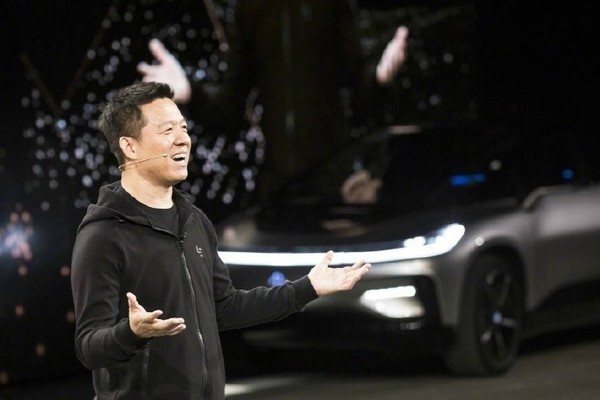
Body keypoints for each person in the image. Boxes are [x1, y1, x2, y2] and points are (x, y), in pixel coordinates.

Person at [70, 82, 371, 400]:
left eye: (183, 128)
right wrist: (130, 333)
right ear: (129, 147)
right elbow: (88, 346)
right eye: (167, 130)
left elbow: (225, 308)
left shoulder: (194, 221)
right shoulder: (104, 235)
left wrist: (307, 288)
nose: (182, 139)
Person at [137, 0, 409, 203]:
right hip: (276, 189)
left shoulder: (332, 5)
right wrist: (191, 93)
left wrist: (380, 79)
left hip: (334, 181)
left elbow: (361, 96)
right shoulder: (251, 7)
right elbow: (230, 107)